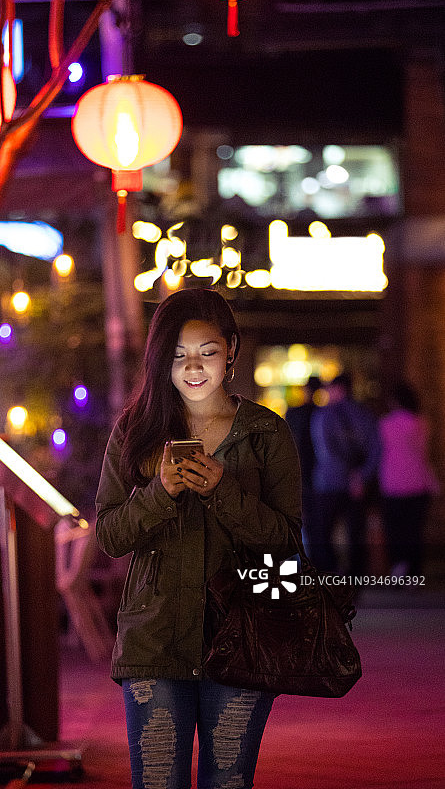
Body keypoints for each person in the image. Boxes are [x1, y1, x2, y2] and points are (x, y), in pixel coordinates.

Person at [95, 288, 302, 789]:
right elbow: (109, 535)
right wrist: (160, 493)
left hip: (241, 639)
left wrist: (223, 491)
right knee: (158, 781)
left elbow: (286, 543)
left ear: (230, 350)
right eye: (179, 355)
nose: (194, 367)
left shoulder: (264, 434)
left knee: (228, 781)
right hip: (155, 644)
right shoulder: (136, 432)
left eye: (207, 352)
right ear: (160, 358)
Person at [310, 372, 380, 576]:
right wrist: (361, 476)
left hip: (328, 482)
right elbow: (375, 450)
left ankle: (330, 573)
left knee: (321, 531)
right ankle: (355, 576)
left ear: (339, 389)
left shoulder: (324, 415)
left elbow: (325, 451)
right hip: (356, 485)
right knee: (355, 533)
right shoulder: (364, 414)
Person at [379, 382, 439, 577]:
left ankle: (398, 567)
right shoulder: (421, 423)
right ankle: (414, 573)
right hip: (418, 481)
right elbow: (424, 454)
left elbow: (380, 452)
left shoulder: (385, 424)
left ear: (394, 401)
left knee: (395, 529)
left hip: (392, 482)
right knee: (414, 531)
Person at [285, 375, 322, 565]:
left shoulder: (294, 413)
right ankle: (311, 561)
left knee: (297, 520)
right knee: (314, 522)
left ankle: (299, 562)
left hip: (298, 471)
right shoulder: (321, 412)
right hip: (316, 473)